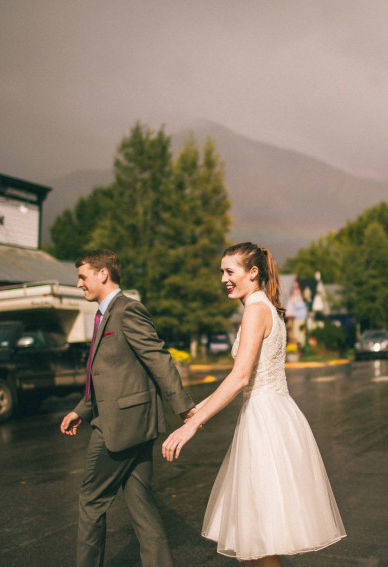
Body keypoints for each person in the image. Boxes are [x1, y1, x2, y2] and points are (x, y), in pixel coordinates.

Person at [162, 242, 346, 566]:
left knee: (258, 543)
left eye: (229, 271)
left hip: (264, 424)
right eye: (222, 271)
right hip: (274, 415)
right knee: (252, 542)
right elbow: (248, 376)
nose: (223, 279)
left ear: (252, 272)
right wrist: (199, 411)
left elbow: (240, 377)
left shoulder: (255, 310)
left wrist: (192, 425)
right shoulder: (268, 307)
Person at [60, 249, 196, 567]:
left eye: (83, 276)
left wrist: (184, 408)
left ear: (102, 274)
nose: (79, 284)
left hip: (118, 427)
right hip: (135, 424)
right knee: (141, 504)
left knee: (91, 501)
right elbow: (110, 375)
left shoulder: (127, 310)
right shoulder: (102, 315)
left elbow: (157, 359)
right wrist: (81, 410)